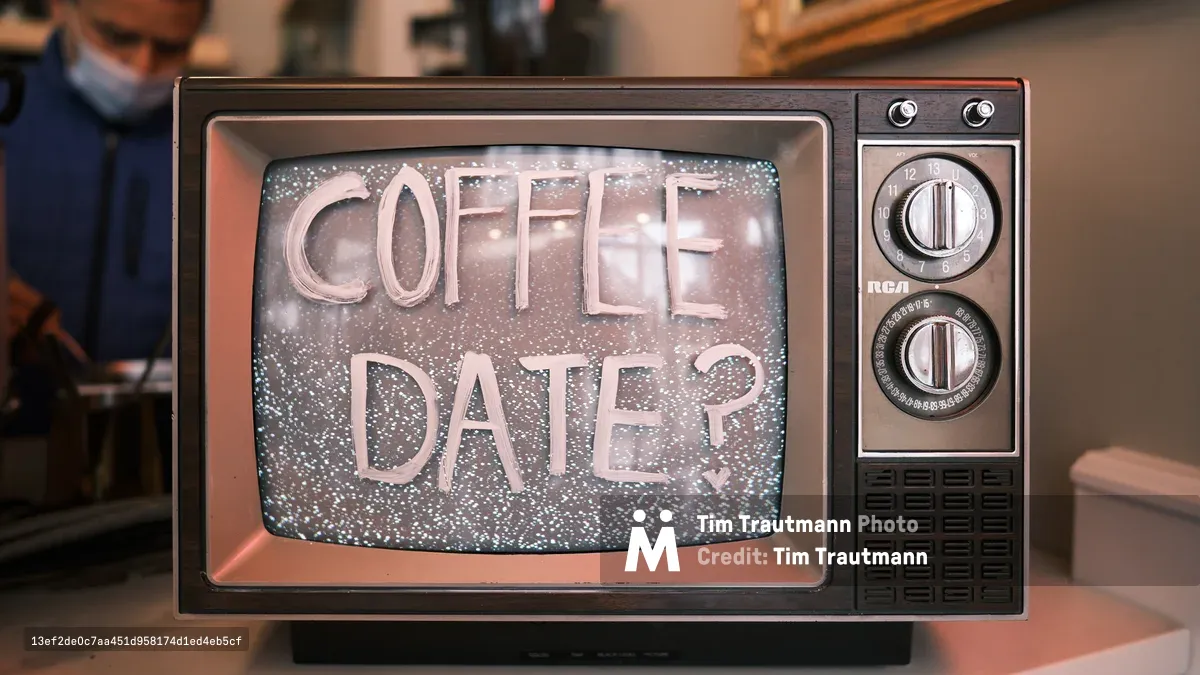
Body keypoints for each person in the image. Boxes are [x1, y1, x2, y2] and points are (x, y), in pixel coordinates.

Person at [1, 0, 207, 440]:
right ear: (60, 8)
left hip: (162, 458)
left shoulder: (216, 145)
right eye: (117, 37)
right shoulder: (8, 117)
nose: (140, 66)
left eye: (171, 46)